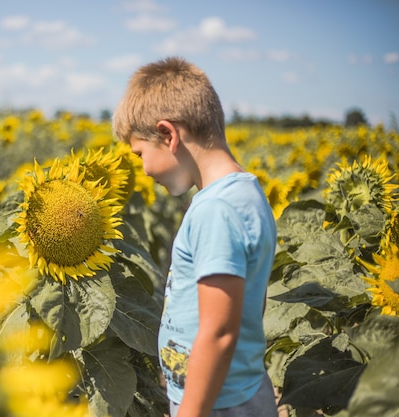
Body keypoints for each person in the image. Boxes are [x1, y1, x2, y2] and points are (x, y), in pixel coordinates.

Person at [112, 56, 278, 417]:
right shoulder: (246, 194)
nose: (142, 169)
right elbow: (253, 303)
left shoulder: (216, 210)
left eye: (140, 153)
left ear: (168, 134)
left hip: (219, 403)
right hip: (234, 391)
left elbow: (218, 333)